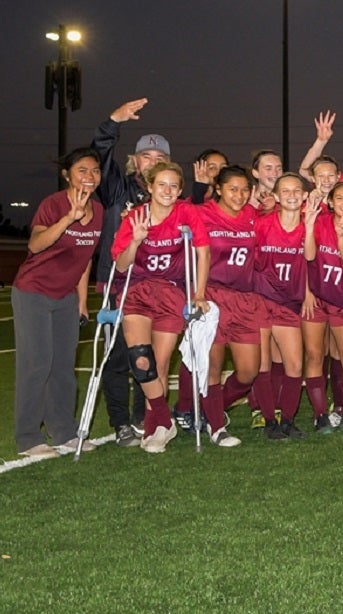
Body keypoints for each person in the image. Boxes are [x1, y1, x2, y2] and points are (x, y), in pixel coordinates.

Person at [110, 162, 210, 454]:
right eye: (161, 185)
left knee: (162, 365)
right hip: (138, 292)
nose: (167, 191)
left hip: (170, 292)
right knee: (142, 362)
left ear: (180, 190)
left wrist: (199, 293)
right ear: (150, 187)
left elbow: (202, 252)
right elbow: (121, 264)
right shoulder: (135, 217)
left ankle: (155, 428)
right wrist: (137, 240)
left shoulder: (187, 212)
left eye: (173, 186)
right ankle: (164, 420)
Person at [13, 148, 104, 457]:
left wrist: (81, 301)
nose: (89, 176)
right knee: (37, 364)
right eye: (82, 170)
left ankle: (64, 431)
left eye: (94, 171)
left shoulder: (100, 211)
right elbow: (35, 244)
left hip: (66, 297)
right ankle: (28, 437)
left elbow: (84, 258)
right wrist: (69, 218)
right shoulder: (53, 204)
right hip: (33, 292)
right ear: (67, 174)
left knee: (64, 367)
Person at [90, 97, 166, 447]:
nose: (152, 163)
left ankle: (143, 417)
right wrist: (113, 122)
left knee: (148, 354)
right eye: (146, 157)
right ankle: (120, 422)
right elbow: (99, 158)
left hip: (156, 286)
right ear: (135, 160)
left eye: (160, 159)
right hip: (118, 283)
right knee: (118, 356)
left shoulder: (167, 195)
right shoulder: (118, 188)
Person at [191, 165, 266, 447]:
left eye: (245, 189)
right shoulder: (201, 214)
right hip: (212, 296)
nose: (240, 195)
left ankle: (210, 406)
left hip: (244, 299)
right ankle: (217, 427)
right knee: (212, 365)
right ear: (218, 188)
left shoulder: (252, 216)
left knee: (249, 370)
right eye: (233, 189)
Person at [252, 173, 311, 440]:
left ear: (305, 196)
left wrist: (309, 292)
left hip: (290, 303)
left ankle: (287, 418)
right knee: (263, 365)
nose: (291, 195)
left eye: (296, 190)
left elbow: (313, 262)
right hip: (262, 299)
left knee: (295, 366)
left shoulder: (311, 226)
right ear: (275, 196)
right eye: (284, 191)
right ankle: (269, 421)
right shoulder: (262, 225)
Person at [302, 181, 343, 433]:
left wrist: (341, 237)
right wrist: (307, 291)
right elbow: (308, 257)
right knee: (314, 356)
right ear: (330, 201)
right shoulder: (319, 221)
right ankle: (320, 415)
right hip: (317, 298)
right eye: (339, 199)